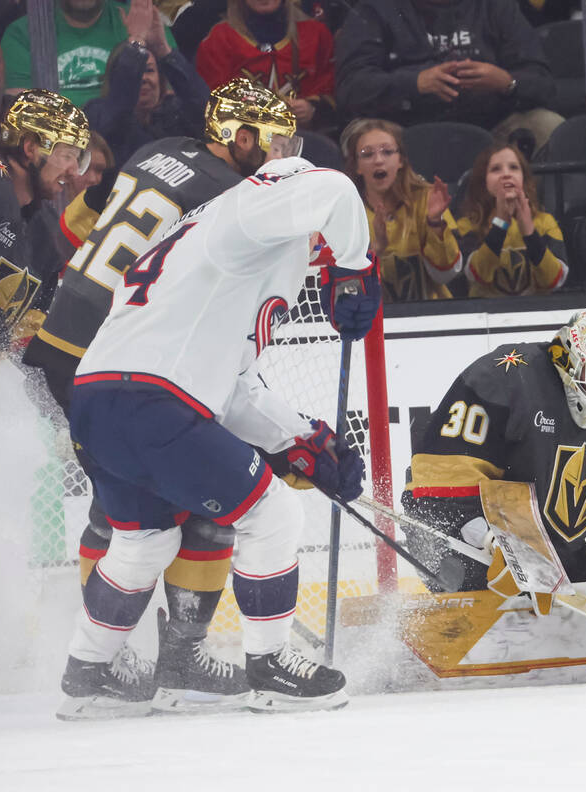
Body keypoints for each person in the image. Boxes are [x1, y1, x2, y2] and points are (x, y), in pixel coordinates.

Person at [23, 79, 314, 716]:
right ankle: (146, 657)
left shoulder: (162, 148)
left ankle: (133, 657)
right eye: (276, 143)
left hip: (66, 337)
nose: (284, 157)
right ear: (241, 138)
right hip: (120, 354)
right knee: (141, 509)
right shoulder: (234, 196)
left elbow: (98, 228)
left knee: (151, 505)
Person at [58, 153, 381, 718]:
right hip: (153, 400)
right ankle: (272, 666)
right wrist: (353, 268)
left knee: (143, 541)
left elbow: (231, 387)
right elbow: (333, 187)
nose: (317, 250)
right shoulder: (250, 210)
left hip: (98, 397)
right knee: (272, 514)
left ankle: (88, 675)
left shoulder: (209, 245)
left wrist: (296, 439)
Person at [401, 302, 586, 629]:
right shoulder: (504, 378)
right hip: (454, 529)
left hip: (548, 545)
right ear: (574, 352)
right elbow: (440, 485)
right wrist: (492, 542)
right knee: (492, 604)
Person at [0, 89, 91, 708]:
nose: (76, 169)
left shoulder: (39, 237)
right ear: (30, 147)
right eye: (67, 153)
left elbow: (26, 343)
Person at [335, 0, 562, 151]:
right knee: (361, 136)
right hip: (402, 131)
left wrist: (505, 82)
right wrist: (415, 84)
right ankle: (380, 222)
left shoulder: (496, 6)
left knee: (548, 126)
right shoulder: (376, 8)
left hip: (491, 126)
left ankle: (543, 218)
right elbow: (350, 87)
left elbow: (543, 83)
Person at [342, 118, 462, 301]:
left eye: (388, 152)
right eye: (367, 154)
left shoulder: (428, 199)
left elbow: (448, 274)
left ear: (401, 161)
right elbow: (343, 290)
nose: (378, 160)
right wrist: (376, 250)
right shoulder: (344, 211)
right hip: (371, 320)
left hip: (431, 314)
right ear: (356, 166)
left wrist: (435, 223)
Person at [82, 17, 210, 166]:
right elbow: (118, 112)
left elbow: (207, 112)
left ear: (160, 79)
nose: (143, 79)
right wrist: (137, 42)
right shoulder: (98, 112)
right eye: (137, 72)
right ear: (116, 78)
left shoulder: (173, 115)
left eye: (149, 70)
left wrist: (164, 51)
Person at [2, 0, 178, 107]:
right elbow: (23, 116)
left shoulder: (140, 18)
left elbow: (173, 101)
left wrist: (152, 43)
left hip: (133, 144)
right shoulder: (22, 34)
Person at [194, 0, 336, 132]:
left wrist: (312, 108)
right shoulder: (219, 40)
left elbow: (329, 88)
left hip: (305, 141)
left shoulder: (316, 35)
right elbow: (209, 102)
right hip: (239, 144)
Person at [456, 141, 567, 297]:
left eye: (514, 167)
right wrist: (501, 222)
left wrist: (529, 231)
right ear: (483, 181)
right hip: (486, 317)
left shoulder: (545, 222)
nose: (506, 174)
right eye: (496, 169)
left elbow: (554, 280)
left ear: (523, 177)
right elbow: (478, 275)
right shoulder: (468, 225)